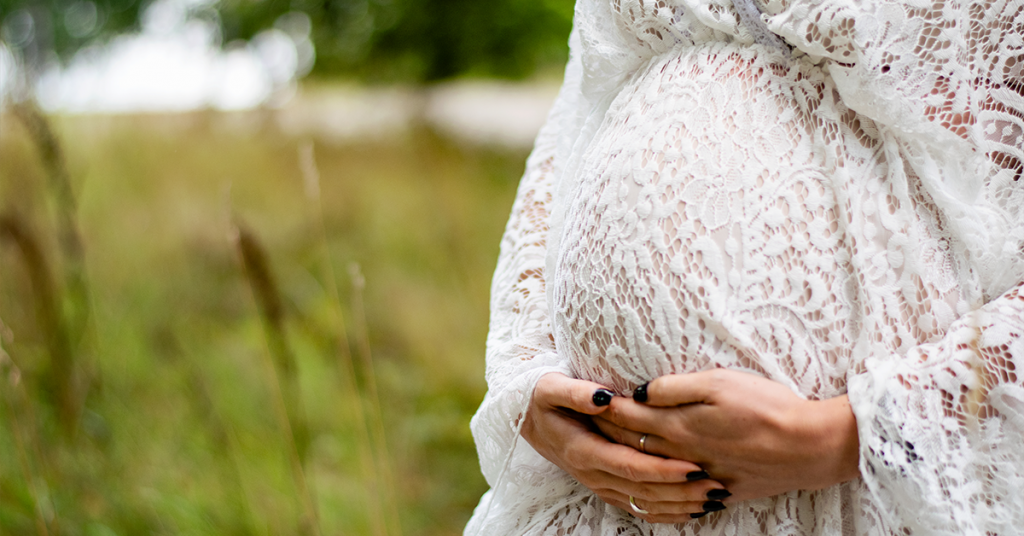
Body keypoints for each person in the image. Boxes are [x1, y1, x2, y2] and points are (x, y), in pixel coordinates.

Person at [466, 0, 1024, 534]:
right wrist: (528, 376)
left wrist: (849, 436)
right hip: (601, 498)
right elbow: (576, 121)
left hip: (864, 491)